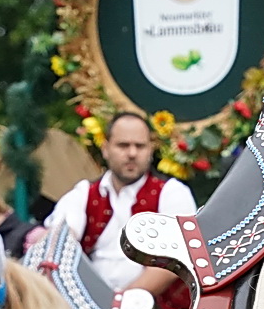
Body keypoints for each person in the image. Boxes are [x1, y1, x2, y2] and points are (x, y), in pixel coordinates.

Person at [46, 111, 195, 298]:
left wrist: (119, 305)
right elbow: (58, 242)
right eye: (123, 145)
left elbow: (174, 261)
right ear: (105, 148)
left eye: (140, 146)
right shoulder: (83, 193)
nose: (132, 153)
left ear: (150, 150)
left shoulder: (172, 193)